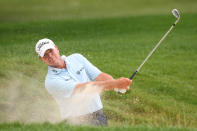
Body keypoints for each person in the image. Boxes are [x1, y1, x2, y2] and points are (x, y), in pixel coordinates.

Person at [35, 38, 132, 126]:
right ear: (41, 59)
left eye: (51, 51)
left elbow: (99, 76)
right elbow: (85, 88)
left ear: (56, 48)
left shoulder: (76, 58)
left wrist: (117, 86)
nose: (50, 56)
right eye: (45, 55)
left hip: (99, 115)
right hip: (77, 123)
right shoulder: (51, 81)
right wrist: (115, 84)